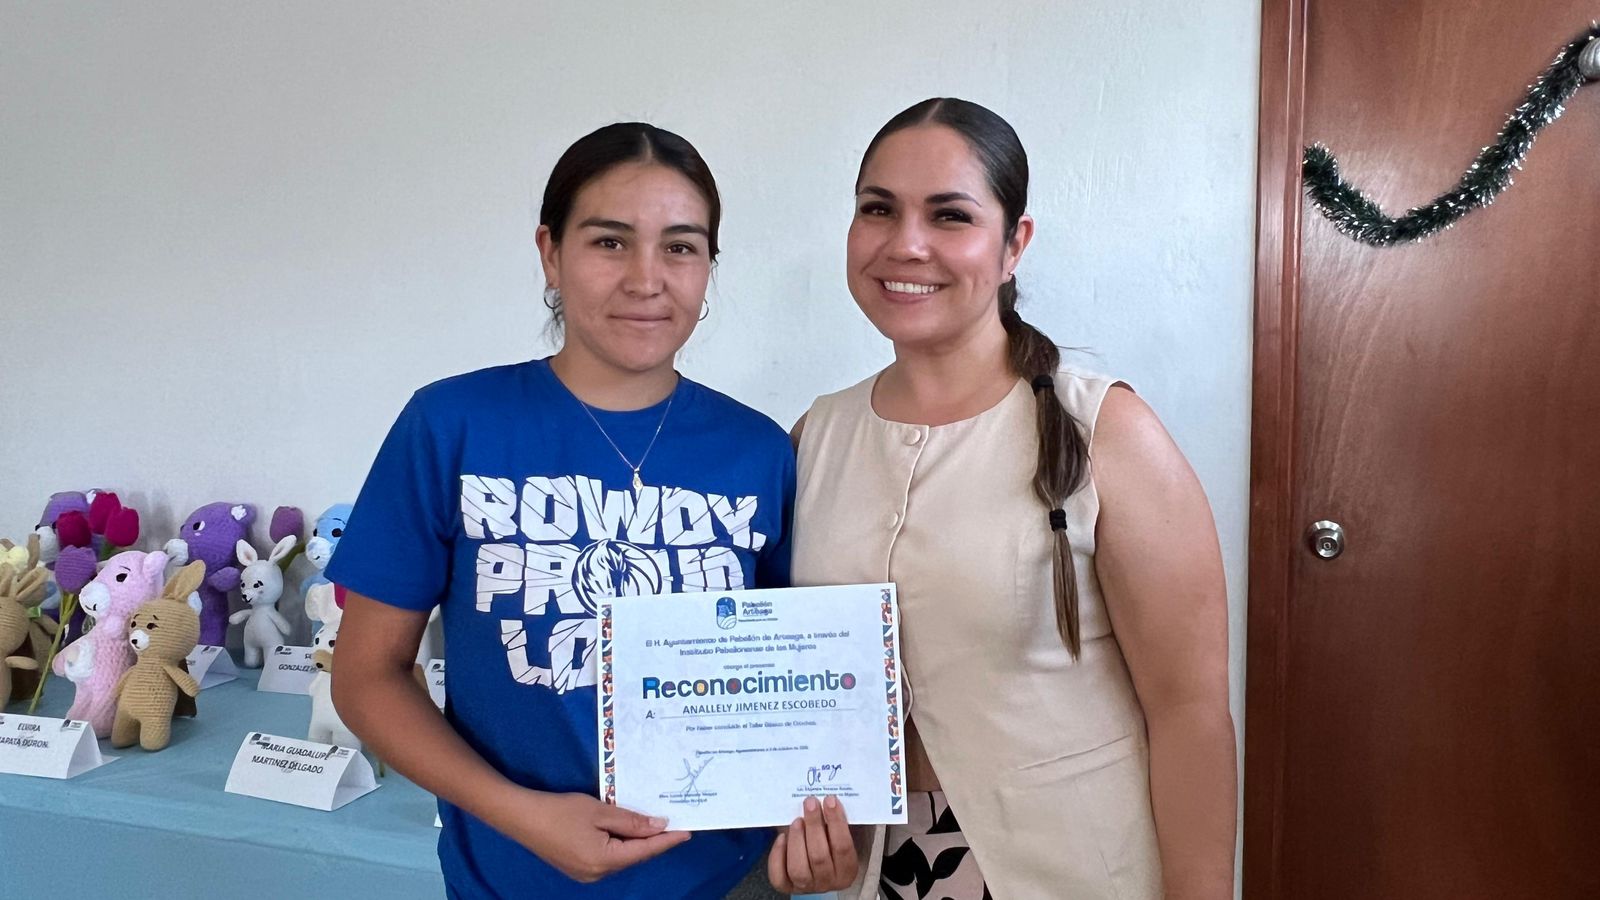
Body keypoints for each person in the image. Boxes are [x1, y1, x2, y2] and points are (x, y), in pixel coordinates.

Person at [326, 122, 852, 898]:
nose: (647, 279)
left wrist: (813, 835)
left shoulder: (761, 451)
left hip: (729, 881)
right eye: (610, 242)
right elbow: (366, 676)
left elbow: (793, 693)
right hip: (511, 877)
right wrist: (523, 815)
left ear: (710, 267)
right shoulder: (450, 425)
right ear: (551, 252)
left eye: (680, 247)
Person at [791, 98, 1237, 899]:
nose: (906, 243)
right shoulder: (815, 435)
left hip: (1075, 870)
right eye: (877, 210)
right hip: (884, 875)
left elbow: (1190, 714)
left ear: (1013, 244)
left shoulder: (1106, 429)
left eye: (950, 215)